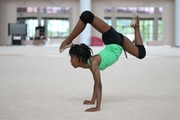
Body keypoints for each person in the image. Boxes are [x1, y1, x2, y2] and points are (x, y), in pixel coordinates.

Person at [59, 10, 146, 112]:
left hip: (114, 40)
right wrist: (92, 101)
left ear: (79, 58)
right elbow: (95, 84)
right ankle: (136, 26)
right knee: (141, 54)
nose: (70, 61)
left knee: (86, 16)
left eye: (71, 58)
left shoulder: (93, 62)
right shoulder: (91, 63)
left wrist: (97, 107)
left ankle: (67, 41)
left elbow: (99, 85)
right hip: (118, 42)